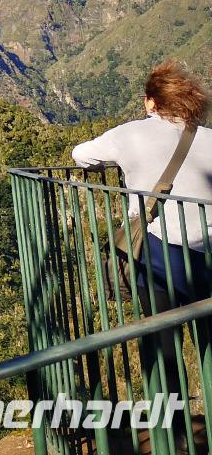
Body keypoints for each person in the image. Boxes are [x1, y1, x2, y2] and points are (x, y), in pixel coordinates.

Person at [72, 60, 212, 393]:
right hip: (208, 254)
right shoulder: (208, 138)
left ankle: (175, 431)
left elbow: (82, 155)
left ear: (151, 101)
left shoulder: (130, 134)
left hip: (160, 256)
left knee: (163, 347)